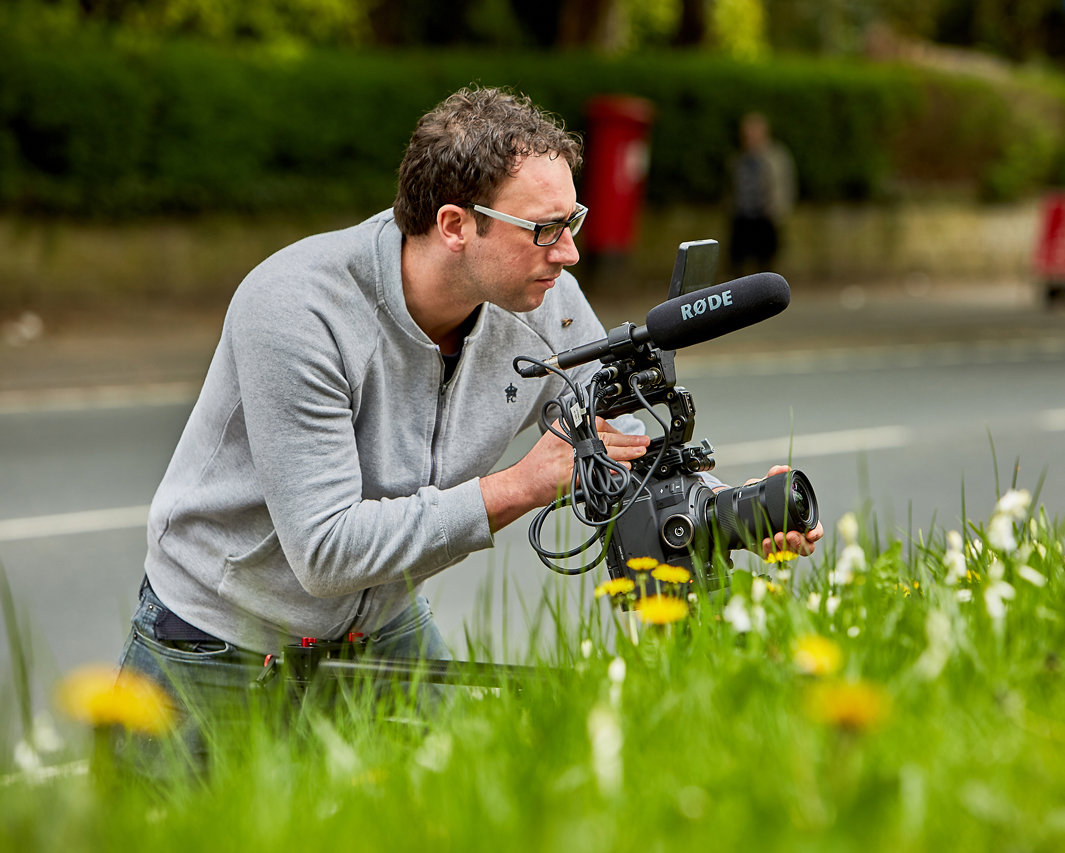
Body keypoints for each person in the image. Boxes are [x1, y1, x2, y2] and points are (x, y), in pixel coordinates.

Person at [118, 87, 823, 731]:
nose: (571, 253)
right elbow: (327, 552)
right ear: (455, 224)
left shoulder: (539, 296)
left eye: (573, 220)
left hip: (382, 621)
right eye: (545, 229)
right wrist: (522, 483)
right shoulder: (298, 310)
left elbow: (620, 446)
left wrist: (725, 508)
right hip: (216, 641)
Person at [729, 113, 796, 276]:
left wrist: (778, 211)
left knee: (767, 262)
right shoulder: (739, 158)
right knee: (738, 262)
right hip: (743, 216)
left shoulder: (776, 157)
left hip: (766, 217)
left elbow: (784, 186)